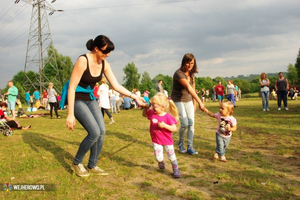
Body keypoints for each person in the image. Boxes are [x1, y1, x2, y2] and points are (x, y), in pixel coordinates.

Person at [66, 35, 145, 177]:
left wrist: (135, 97)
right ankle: (77, 163)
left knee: (102, 131)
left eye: (109, 52)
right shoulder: (83, 60)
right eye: (105, 52)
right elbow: (71, 87)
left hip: (90, 99)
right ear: (96, 49)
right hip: (77, 98)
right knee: (94, 132)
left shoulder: (104, 64)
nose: (107, 55)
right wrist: (70, 114)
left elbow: (116, 85)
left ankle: (92, 164)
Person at [171, 53, 205, 155]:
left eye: (192, 63)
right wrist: (200, 102)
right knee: (185, 123)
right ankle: (181, 143)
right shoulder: (179, 73)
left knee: (191, 123)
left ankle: (190, 146)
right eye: (188, 62)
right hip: (178, 100)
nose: (189, 65)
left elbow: (193, 88)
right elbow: (189, 88)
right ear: (184, 62)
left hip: (189, 100)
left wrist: (194, 103)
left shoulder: (192, 74)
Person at [142, 93, 181, 178]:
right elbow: (144, 114)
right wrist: (145, 108)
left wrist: (165, 126)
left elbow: (174, 128)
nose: (152, 108)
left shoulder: (168, 117)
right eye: (152, 105)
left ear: (163, 107)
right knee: (158, 157)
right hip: (156, 140)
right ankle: (161, 161)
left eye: (154, 106)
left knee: (171, 156)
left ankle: (176, 169)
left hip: (167, 141)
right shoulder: (152, 113)